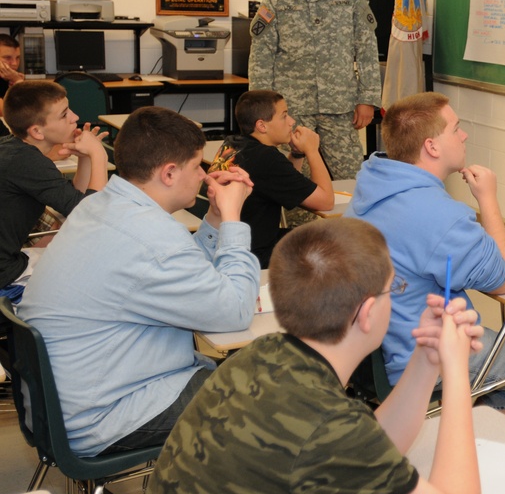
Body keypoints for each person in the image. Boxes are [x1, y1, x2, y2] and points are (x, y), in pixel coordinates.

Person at [139, 218, 483, 494]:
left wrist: (427, 360)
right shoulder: (328, 428)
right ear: (367, 312)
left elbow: (368, 448)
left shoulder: (260, 354)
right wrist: (457, 374)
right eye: (393, 289)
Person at [18, 106, 260, 457]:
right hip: (104, 416)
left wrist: (214, 218)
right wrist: (236, 220)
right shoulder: (153, 238)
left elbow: (178, 272)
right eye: (197, 166)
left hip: (57, 406)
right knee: (272, 395)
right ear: (169, 173)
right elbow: (236, 311)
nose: (204, 176)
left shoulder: (101, 205)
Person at [345, 91, 505, 414]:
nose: (464, 134)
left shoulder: (370, 183)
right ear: (432, 146)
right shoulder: (440, 216)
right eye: (455, 129)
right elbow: (503, 280)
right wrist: (488, 199)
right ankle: (472, 437)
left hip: (365, 354)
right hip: (419, 355)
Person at [248, 0, 381, 179]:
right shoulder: (277, 0)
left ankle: (350, 222)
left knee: (354, 178)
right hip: (293, 112)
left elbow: (366, 48)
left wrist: (367, 98)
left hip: (339, 107)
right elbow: (261, 59)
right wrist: (263, 111)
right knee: (297, 181)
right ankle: (301, 224)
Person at [0, 81, 108, 298]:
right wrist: (99, 155)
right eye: (64, 114)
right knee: (97, 278)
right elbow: (95, 216)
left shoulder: (13, 148)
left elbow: (74, 202)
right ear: (37, 131)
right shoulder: (28, 163)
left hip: (8, 263)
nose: (75, 117)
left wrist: (85, 159)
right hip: (5, 278)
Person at [209, 89, 335, 267]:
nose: (291, 122)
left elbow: (282, 181)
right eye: (284, 116)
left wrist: (297, 154)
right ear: (262, 126)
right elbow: (326, 202)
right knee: (331, 245)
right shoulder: (266, 158)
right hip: (254, 255)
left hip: (227, 245)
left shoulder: (234, 143)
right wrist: (312, 150)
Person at [0, 34, 26, 137]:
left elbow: (31, 111)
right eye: (7, 58)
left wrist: (17, 82)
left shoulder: (8, 77)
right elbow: (9, 112)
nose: (14, 63)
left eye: (18, 58)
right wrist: (18, 82)